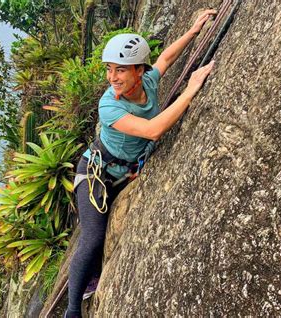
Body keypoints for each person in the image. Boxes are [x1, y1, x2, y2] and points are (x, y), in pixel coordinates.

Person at [64, 9, 217, 318]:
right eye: (109, 70)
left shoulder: (147, 82)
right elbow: (153, 130)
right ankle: (71, 311)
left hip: (125, 171)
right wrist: (191, 88)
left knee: (101, 236)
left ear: (138, 70)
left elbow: (165, 60)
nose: (112, 78)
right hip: (97, 174)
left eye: (120, 70)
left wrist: (193, 30)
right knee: (93, 237)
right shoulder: (109, 106)